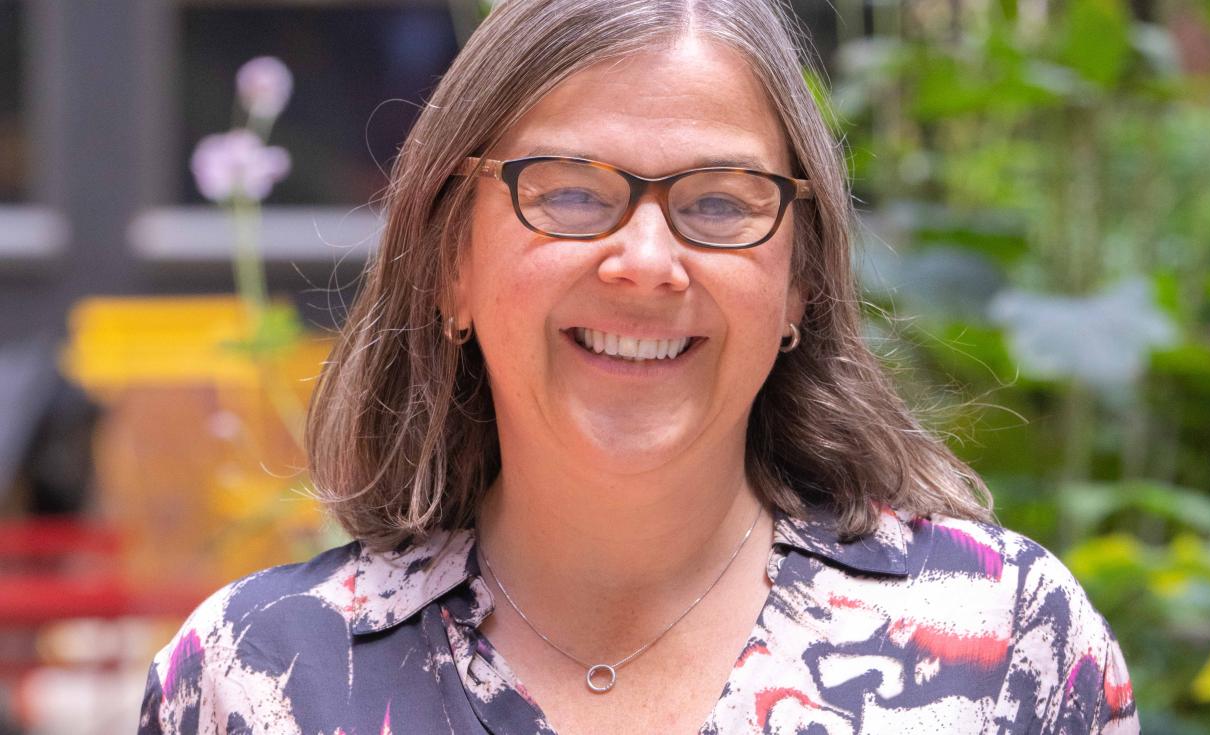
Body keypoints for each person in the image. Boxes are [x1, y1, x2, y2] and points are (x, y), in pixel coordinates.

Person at [138, 0, 1139, 732]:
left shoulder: (1004, 648)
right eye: (570, 194)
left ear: (798, 284)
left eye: (719, 202)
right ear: (451, 263)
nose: (646, 263)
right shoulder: (256, 677)